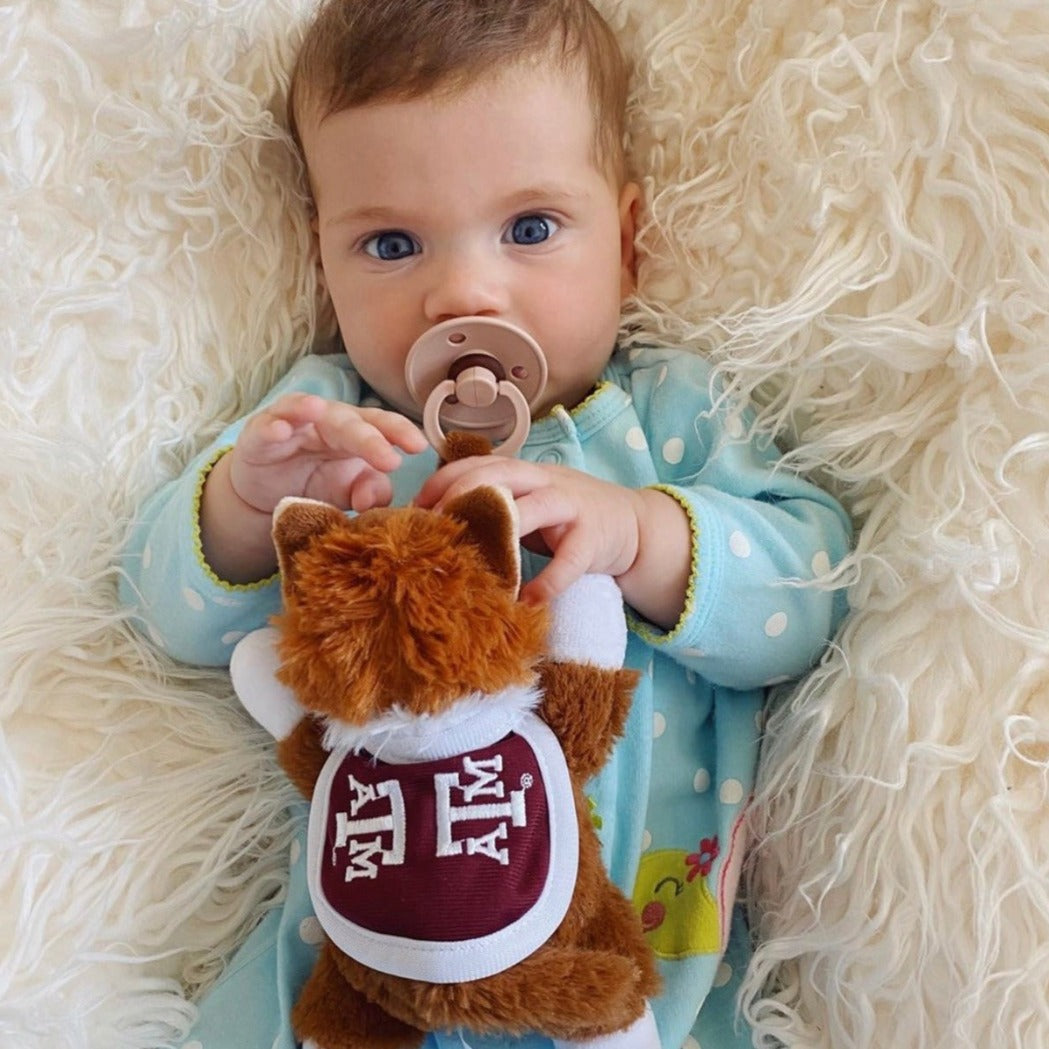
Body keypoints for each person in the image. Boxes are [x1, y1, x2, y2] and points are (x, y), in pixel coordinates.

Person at [119, 0, 853, 1046]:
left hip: (644, 981)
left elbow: (809, 596)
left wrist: (642, 533)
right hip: (358, 977)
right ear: (320, 263)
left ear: (628, 244)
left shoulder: (666, 427)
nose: (461, 287)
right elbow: (163, 614)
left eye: (529, 228)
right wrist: (245, 502)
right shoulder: (336, 431)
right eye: (389, 242)